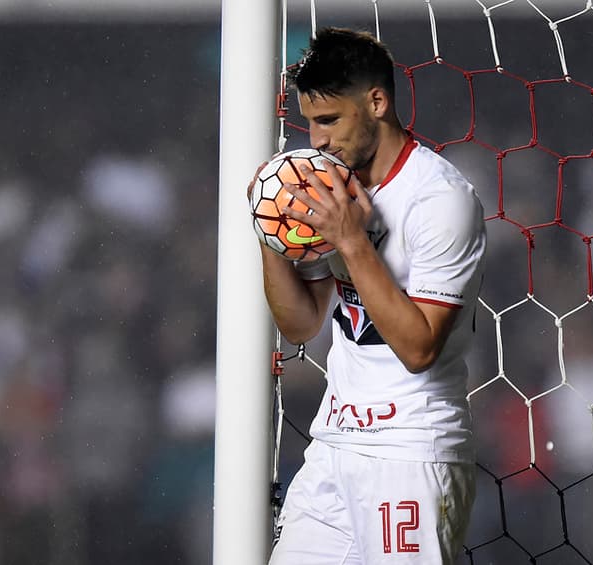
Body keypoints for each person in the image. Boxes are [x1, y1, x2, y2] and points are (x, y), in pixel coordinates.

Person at [249, 28, 488, 564]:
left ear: (377, 102)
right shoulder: (331, 185)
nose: (318, 141)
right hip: (335, 443)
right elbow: (302, 323)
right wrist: (269, 229)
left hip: (412, 450)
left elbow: (420, 347)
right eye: (309, 124)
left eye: (330, 121)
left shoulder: (441, 200)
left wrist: (352, 241)